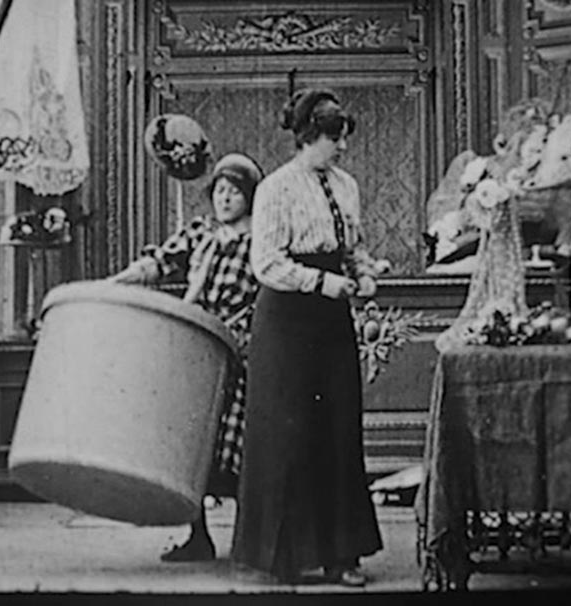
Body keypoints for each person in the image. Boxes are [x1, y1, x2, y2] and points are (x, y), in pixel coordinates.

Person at [231, 89, 385, 587]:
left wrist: (364, 273)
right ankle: (282, 557)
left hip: (331, 319)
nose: (342, 147)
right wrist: (322, 282)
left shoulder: (346, 185)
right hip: (286, 319)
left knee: (338, 428)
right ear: (308, 137)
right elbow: (266, 263)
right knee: (288, 432)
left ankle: (342, 555)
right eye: (334, 138)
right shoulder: (275, 188)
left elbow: (353, 247)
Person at [109, 152, 263, 561]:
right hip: (195, 348)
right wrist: (119, 281)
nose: (225, 199)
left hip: (238, 353)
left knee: (236, 447)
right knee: (190, 444)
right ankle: (198, 535)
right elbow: (161, 261)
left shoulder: (260, 240)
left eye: (235, 192)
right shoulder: (202, 233)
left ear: (250, 197)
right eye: (220, 191)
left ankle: (250, 539)